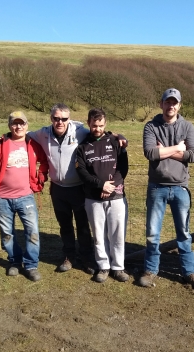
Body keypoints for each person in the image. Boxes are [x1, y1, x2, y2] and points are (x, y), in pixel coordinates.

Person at [27, 103, 127, 274]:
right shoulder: (43, 133)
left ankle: (87, 258)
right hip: (58, 188)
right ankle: (69, 257)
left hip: (79, 187)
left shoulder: (80, 130)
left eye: (64, 119)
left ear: (69, 119)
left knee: (83, 225)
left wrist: (120, 136)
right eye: (56, 118)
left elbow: (102, 132)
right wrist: (3, 137)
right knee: (64, 225)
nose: (60, 122)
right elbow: (22, 134)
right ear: (51, 118)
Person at [139, 88, 194, 290]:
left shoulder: (187, 127)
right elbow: (150, 153)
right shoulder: (151, 126)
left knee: (184, 233)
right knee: (152, 232)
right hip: (156, 187)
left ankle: (189, 272)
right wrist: (178, 148)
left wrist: (164, 151)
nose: (171, 106)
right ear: (161, 104)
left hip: (180, 188)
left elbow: (193, 155)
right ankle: (150, 271)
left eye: (174, 102)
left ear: (179, 105)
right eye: (167, 102)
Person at [0, 111, 48, 282]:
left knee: (32, 232)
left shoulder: (33, 144)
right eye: (15, 123)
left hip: (26, 197)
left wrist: (40, 178)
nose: (18, 127)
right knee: (7, 234)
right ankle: (15, 261)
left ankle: (31, 265)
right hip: (2, 198)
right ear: (9, 125)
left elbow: (45, 162)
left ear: (27, 125)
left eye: (22, 123)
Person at [76, 108, 129, 283]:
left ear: (105, 124)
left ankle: (118, 267)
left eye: (100, 125)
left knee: (117, 234)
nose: (97, 128)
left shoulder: (116, 142)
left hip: (116, 197)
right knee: (98, 235)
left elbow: (123, 167)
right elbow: (82, 172)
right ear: (88, 123)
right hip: (93, 198)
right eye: (94, 125)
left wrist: (111, 186)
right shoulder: (82, 147)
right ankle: (103, 267)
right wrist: (100, 185)